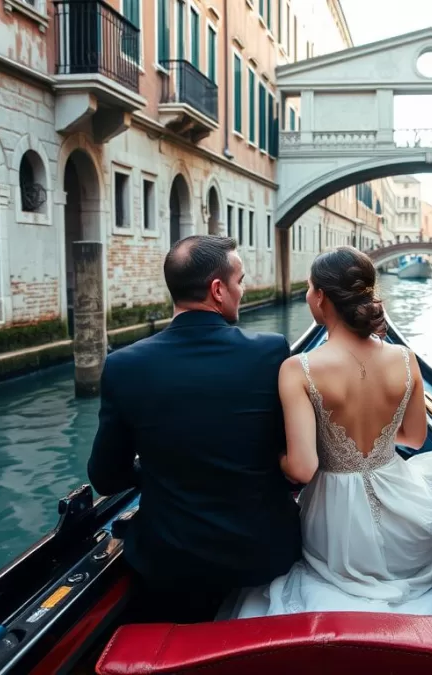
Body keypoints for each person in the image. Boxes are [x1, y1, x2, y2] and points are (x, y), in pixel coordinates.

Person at [225, 247, 432, 619]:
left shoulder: (297, 368)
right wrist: (376, 446)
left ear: (321, 296)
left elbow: (302, 470)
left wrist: (268, 452)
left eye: (308, 288)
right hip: (401, 503)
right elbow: (415, 439)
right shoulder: (406, 359)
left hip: (334, 518)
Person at [87, 235, 301, 623]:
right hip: (264, 553)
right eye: (240, 280)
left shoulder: (122, 365)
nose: (243, 289)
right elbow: (289, 452)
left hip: (171, 562)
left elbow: (105, 477)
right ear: (217, 290)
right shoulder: (270, 351)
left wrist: (154, 468)